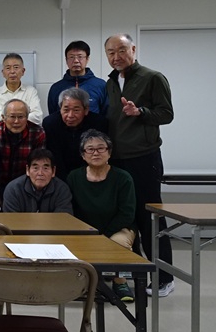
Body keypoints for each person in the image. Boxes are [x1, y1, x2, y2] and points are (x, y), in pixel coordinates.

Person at [104, 33, 175, 297]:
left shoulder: (152, 77)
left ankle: (164, 278)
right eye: (111, 52)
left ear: (133, 49)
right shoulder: (111, 82)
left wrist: (140, 112)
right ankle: (135, 275)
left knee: (150, 218)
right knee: (127, 219)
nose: (116, 57)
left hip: (144, 158)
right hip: (117, 160)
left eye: (122, 50)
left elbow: (167, 114)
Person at [66, 129, 136, 301]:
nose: (95, 153)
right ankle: (83, 283)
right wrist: (88, 232)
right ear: (83, 155)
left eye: (101, 148)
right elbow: (70, 211)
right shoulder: (74, 177)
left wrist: (103, 235)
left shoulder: (123, 178)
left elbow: (127, 213)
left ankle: (120, 282)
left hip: (118, 228)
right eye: (90, 149)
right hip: (85, 230)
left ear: (109, 153)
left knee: (118, 242)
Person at [42, 87, 108, 180]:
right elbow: (54, 156)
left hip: (90, 173)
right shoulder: (50, 124)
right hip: (59, 174)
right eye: (66, 110)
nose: (70, 115)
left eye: (76, 110)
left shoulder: (98, 123)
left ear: (86, 110)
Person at [0, 99, 45, 199]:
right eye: (12, 117)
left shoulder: (37, 133)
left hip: (26, 186)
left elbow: (37, 167)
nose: (16, 121)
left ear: (27, 117)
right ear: (3, 117)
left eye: (21, 117)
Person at [2, 148, 73, 213]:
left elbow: (63, 219)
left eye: (45, 168)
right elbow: (11, 220)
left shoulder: (62, 189)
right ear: (27, 170)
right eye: (35, 168)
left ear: (53, 171)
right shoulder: (13, 189)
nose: (40, 173)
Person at [47, 40, 109, 115]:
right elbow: (53, 116)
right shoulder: (56, 88)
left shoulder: (101, 85)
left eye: (80, 57)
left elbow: (106, 114)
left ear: (87, 59)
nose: (76, 61)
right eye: (71, 57)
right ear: (66, 60)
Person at [0, 53, 42, 125]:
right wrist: (23, 117)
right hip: (4, 132)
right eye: (8, 68)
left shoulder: (31, 91)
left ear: (23, 71)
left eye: (16, 67)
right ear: (3, 73)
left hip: (28, 131)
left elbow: (37, 117)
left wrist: (9, 117)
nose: (12, 71)